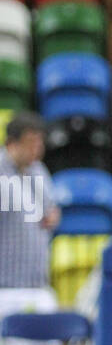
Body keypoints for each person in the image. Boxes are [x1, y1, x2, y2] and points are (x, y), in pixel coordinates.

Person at [0, 112, 60, 291]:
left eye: (39, 142)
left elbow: (52, 210)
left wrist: (53, 217)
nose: (37, 148)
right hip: (4, 285)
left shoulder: (39, 170)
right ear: (11, 143)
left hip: (37, 282)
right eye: (31, 142)